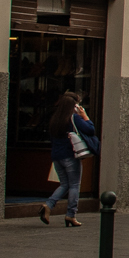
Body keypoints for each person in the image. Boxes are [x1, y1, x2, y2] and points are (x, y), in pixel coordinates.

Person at [41, 91, 96, 226]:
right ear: (74, 105)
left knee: (65, 184)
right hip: (70, 155)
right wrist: (85, 116)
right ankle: (71, 215)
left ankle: (48, 205)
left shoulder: (55, 119)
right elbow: (90, 130)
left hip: (57, 156)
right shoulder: (74, 118)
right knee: (74, 185)